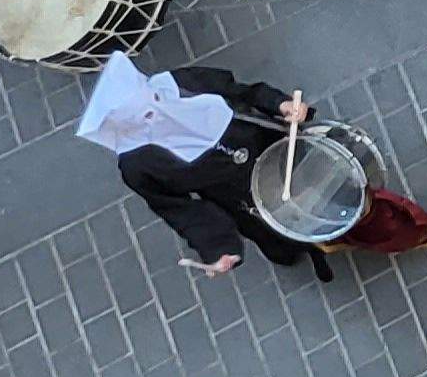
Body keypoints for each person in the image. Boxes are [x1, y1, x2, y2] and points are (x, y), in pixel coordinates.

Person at [77, 53, 319, 279]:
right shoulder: (137, 165)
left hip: (273, 146)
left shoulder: (180, 83)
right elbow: (179, 209)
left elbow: (241, 92)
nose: (162, 114)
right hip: (241, 198)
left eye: (157, 101)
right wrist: (219, 248)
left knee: (319, 183)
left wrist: (280, 103)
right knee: (277, 236)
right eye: (148, 118)